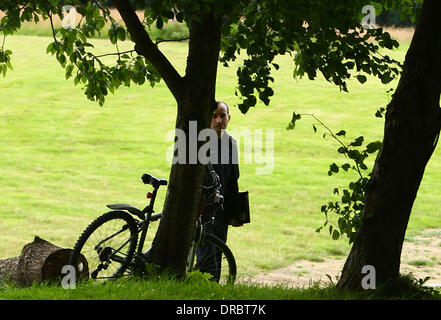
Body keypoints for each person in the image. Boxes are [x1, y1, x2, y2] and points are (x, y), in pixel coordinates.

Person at [195, 100, 243, 281]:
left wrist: (236, 213)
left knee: (217, 254)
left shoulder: (232, 144)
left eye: (222, 116)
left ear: (229, 118)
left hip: (221, 212)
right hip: (202, 210)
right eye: (214, 116)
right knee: (207, 259)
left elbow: (233, 181)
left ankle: (204, 289)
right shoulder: (198, 143)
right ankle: (207, 291)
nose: (218, 120)